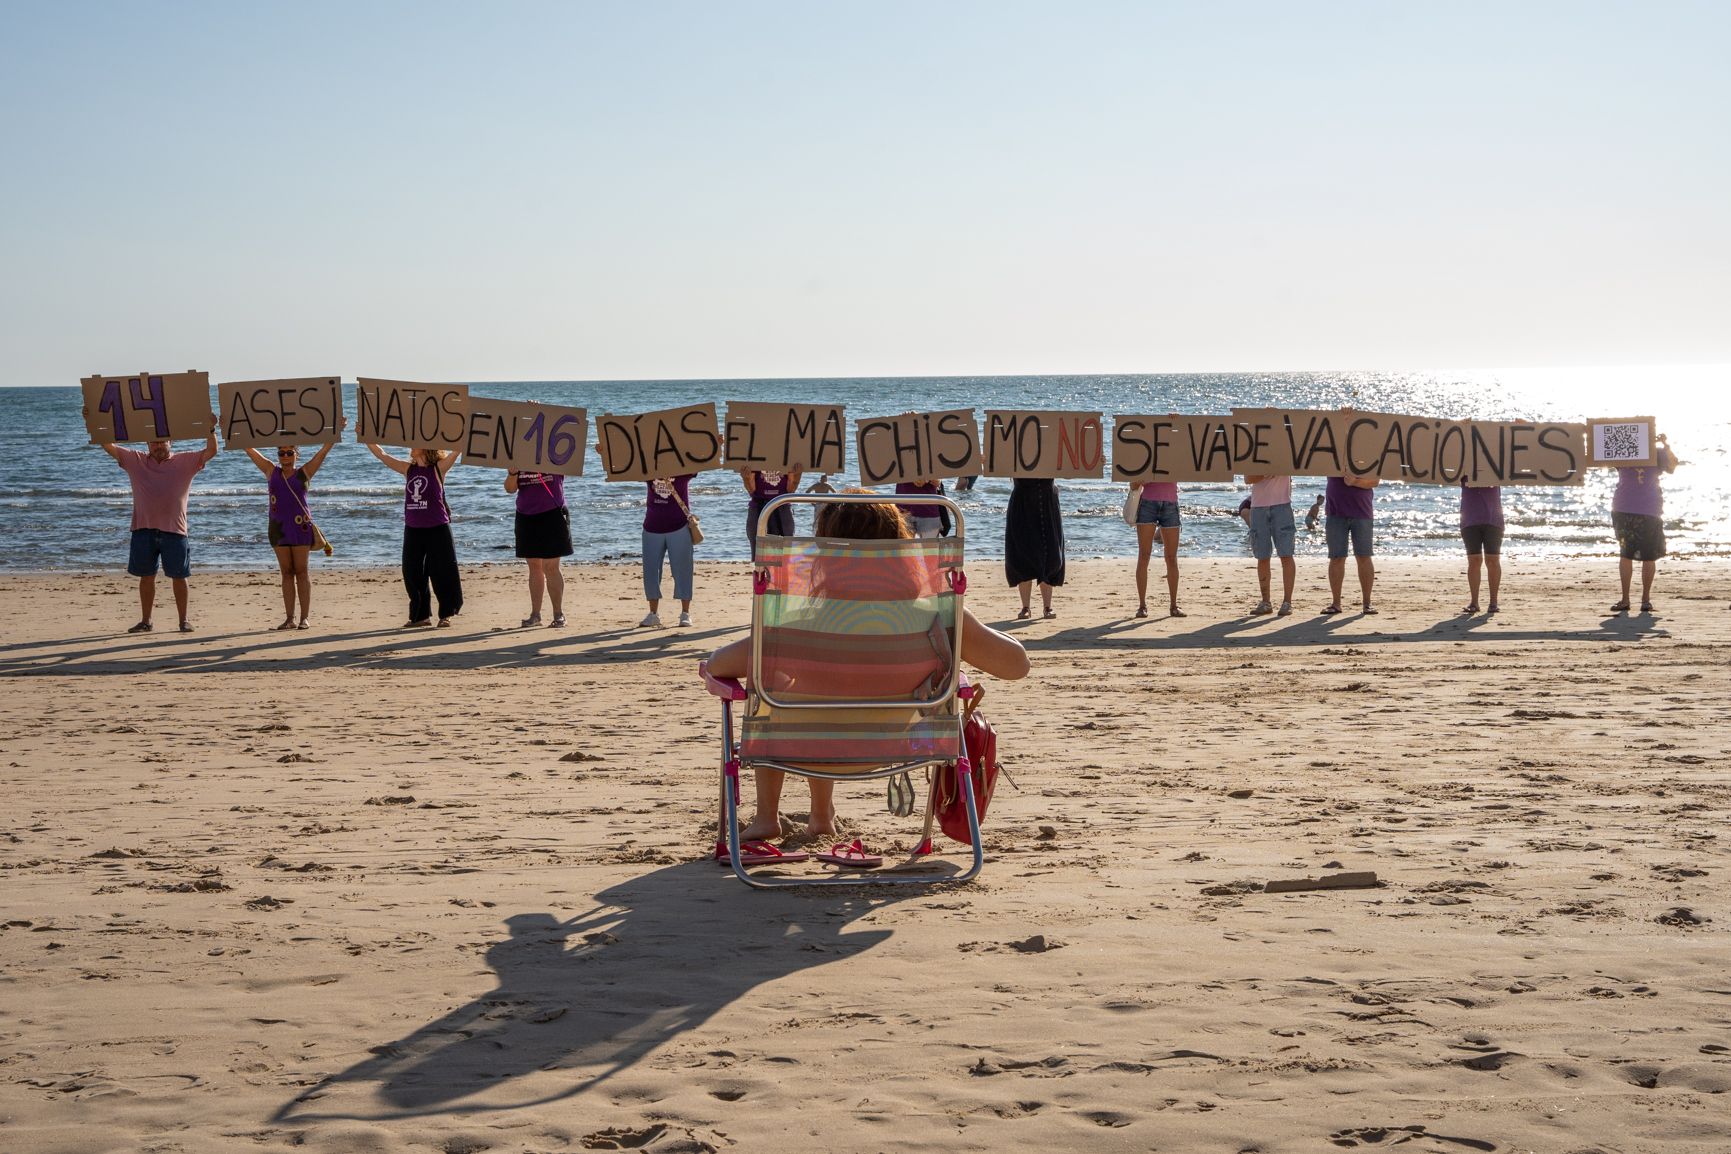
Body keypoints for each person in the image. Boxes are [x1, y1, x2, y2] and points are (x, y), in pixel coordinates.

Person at [706, 495, 1030, 845]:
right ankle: (820, 818)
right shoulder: (936, 621)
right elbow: (1016, 665)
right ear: (901, 551)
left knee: (768, 682)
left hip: (806, 747)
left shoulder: (796, 628)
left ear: (827, 555)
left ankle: (768, 816)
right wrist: (964, 623)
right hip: (897, 746)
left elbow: (717, 666)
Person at [94, 414, 220, 634]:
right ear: (147, 444)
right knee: (146, 577)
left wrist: (210, 428)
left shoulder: (185, 460)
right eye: (154, 441)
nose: (158, 444)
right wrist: (96, 419)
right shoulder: (136, 459)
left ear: (170, 442)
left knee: (180, 577)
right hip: (144, 529)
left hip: (175, 530)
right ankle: (146, 621)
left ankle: (183, 621)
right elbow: (108, 445)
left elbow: (211, 451)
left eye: (162, 440)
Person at [241, 420, 344, 630]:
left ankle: (304, 618)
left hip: (300, 529)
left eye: (289, 453)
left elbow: (323, 452)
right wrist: (231, 428)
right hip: (278, 529)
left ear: (297, 453)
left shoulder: (304, 472)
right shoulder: (271, 471)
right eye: (281, 453)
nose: (285, 457)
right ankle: (289, 619)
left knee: (302, 572)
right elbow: (249, 449)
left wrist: (336, 430)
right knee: (286, 573)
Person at [366, 443, 464, 628]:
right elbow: (382, 455)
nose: (411, 445)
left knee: (442, 572)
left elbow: (457, 451)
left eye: (416, 442)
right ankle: (420, 617)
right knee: (412, 572)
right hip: (413, 529)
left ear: (428, 446)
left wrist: (464, 435)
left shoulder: (438, 468)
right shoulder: (407, 469)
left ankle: (446, 614)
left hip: (438, 528)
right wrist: (367, 439)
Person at [1610, 433, 1677, 614]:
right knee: (1626, 554)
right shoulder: (1622, 452)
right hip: (1626, 509)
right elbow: (1598, 457)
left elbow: (1672, 466)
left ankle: (1645, 599)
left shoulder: (1656, 453)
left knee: (1648, 555)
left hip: (1648, 510)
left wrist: (1665, 444)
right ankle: (1626, 599)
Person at [505, 469, 572, 628]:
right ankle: (535, 615)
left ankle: (558, 614)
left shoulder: (553, 449)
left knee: (551, 566)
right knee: (534, 567)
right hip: (526, 514)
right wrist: (513, 473)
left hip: (552, 511)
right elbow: (509, 489)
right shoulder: (518, 453)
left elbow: (571, 462)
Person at [1005, 476, 1065, 619]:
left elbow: (1069, 468)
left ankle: (1047, 606)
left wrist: (1095, 462)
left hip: (1047, 502)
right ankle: (1025, 607)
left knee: (1049, 553)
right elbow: (1001, 463)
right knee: (1022, 552)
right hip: (1022, 502)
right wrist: (985, 461)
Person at [642, 474, 696, 628]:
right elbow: (626, 466)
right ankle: (653, 614)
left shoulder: (684, 469)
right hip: (652, 526)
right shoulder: (648, 468)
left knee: (683, 570)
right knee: (651, 572)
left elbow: (702, 457)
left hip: (679, 525)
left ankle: (685, 613)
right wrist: (604, 452)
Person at [1324, 473, 1379, 615]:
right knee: (1336, 557)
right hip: (1335, 511)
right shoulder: (1333, 455)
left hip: (1362, 512)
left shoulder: (1366, 455)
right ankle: (1336, 604)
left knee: (1364, 556)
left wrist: (1355, 482)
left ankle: (1367, 603)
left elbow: (1375, 481)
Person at [1244, 473, 1296, 616]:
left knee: (1286, 554)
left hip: (1282, 505)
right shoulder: (1252, 452)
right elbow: (1248, 478)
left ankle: (1287, 602)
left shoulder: (1285, 452)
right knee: (1262, 556)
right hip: (1258, 507)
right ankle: (1266, 601)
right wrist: (1264, 474)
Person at [1131, 480, 1183, 618]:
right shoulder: (1143, 457)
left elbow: (1186, 469)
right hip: (1147, 504)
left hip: (1170, 504)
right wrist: (1142, 479)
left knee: (1171, 558)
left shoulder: (1176, 457)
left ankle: (1173, 605)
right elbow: (1133, 484)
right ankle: (1142, 606)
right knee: (1144, 555)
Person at [1460, 483, 1504, 615]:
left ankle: (1493, 602)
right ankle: (1474, 602)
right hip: (1470, 520)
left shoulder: (1495, 467)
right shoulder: (1463, 467)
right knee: (1474, 561)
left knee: (1492, 561)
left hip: (1493, 520)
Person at [741, 467, 802, 556]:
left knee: (786, 547)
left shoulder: (789, 460)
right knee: (757, 547)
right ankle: (759, 569)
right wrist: (745, 478)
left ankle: (782, 568)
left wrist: (798, 475)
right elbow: (752, 490)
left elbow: (791, 490)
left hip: (782, 504)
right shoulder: (754, 462)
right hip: (758, 504)